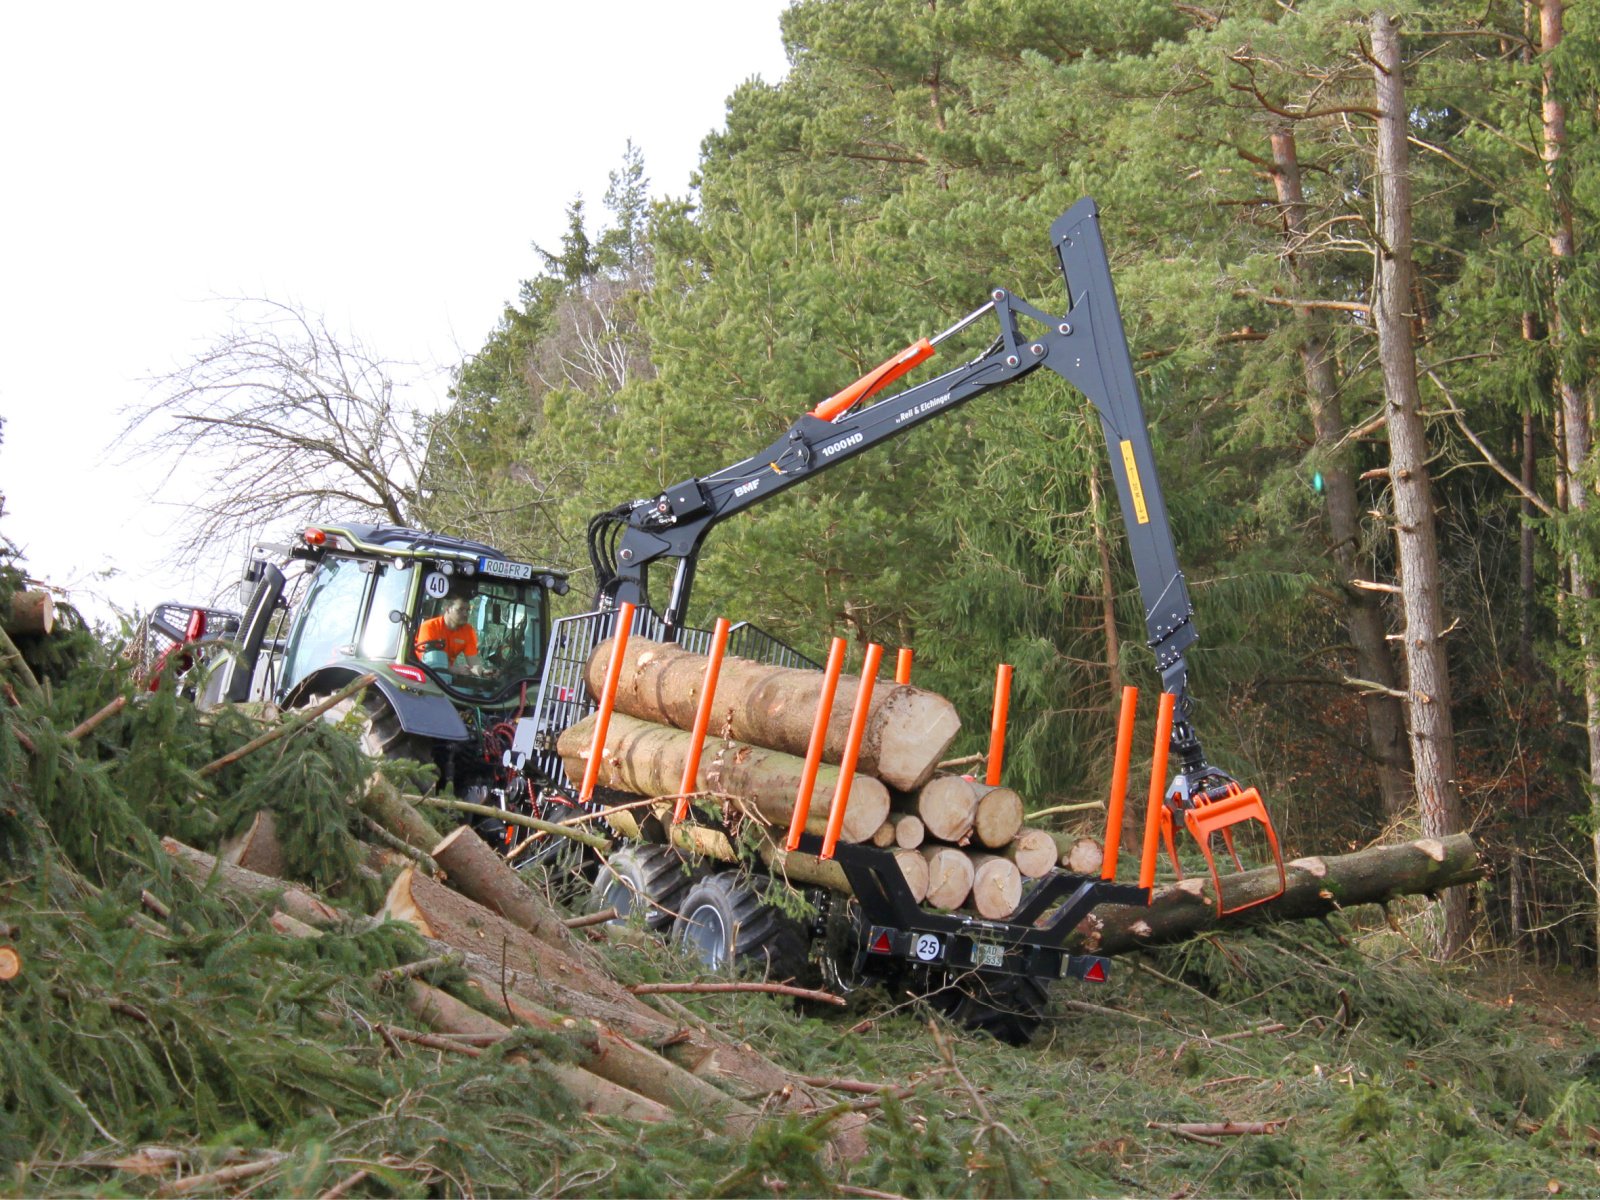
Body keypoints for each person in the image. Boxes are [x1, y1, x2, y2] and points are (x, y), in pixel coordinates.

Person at [415, 596, 486, 675]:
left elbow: (473, 662)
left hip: (447, 675)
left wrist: (483, 672)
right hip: (423, 674)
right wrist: (456, 670)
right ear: (447, 609)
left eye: (467, 610)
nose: (465, 614)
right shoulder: (429, 627)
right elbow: (428, 661)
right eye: (461, 609)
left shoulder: (468, 631)